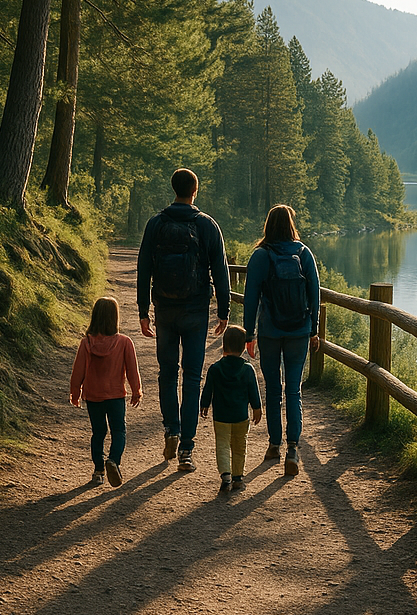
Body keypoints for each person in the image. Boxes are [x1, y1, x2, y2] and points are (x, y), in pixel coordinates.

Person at [137, 168, 231, 472]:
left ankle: (171, 430)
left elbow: (143, 268)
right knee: (192, 378)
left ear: (173, 189)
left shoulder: (156, 224)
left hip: (164, 309)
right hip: (196, 311)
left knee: (167, 373)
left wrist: (142, 311)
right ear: (195, 191)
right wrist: (224, 311)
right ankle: (187, 448)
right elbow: (220, 269)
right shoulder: (206, 225)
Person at [242, 204, 321, 477]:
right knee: (294, 389)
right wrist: (314, 329)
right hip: (299, 331)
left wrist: (249, 334)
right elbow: (315, 294)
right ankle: (293, 449)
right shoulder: (303, 253)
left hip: (270, 331)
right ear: (290, 224)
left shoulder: (261, 255)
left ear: (268, 225)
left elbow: (251, 298)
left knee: (274, 389)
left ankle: (274, 445)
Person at [69, 297, 142, 487]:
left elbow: (77, 371)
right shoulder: (125, 342)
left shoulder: (86, 343)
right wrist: (136, 391)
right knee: (119, 431)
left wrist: (75, 393)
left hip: (93, 397)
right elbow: (132, 370)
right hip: (116, 396)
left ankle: (98, 470)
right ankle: (113, 461)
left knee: (98, 432)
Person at [199, 325, 263, 493]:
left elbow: (208, 390)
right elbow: (253, 392)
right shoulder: (247, 369)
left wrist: (204, 405)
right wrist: (257, 408)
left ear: (224, 346)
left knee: (223, 445)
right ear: (243, 348)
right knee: (239, 446)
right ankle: (238, 478)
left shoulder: (215, 369)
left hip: (221, 416)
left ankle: (226, 477)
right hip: (241, 416)